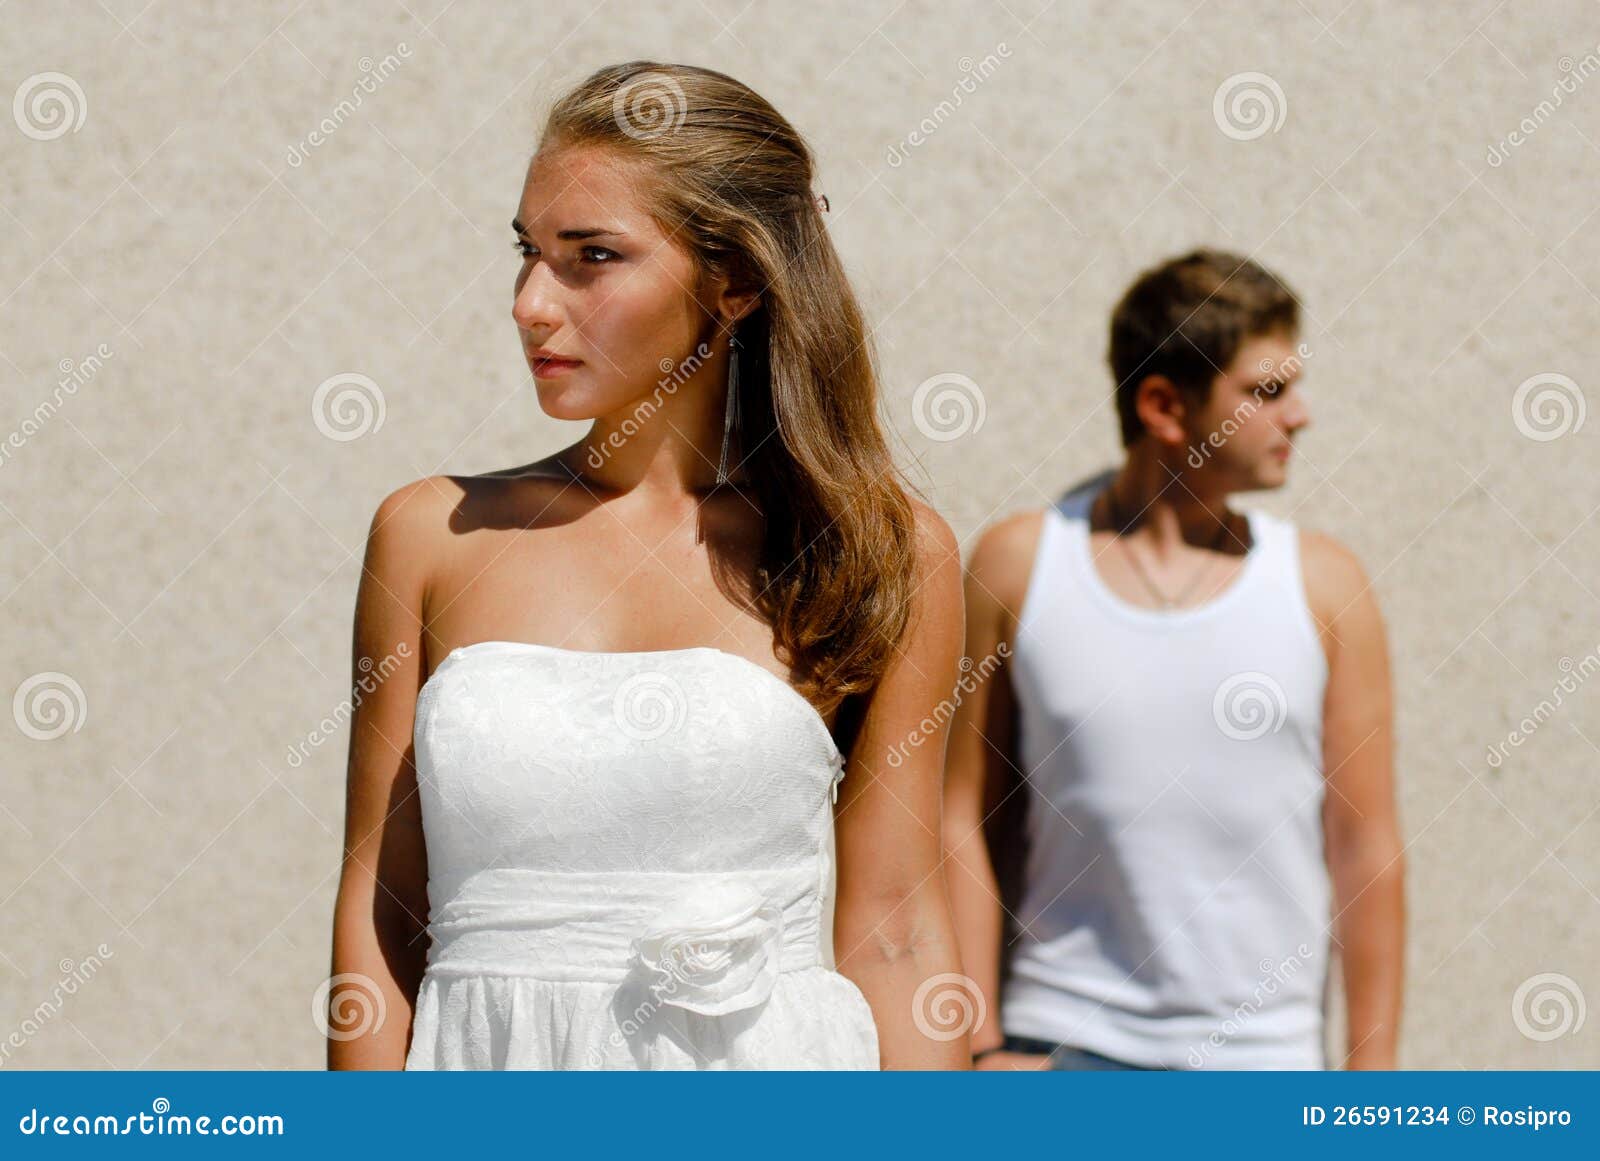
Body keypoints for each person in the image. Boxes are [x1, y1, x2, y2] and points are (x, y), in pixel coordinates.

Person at [328, 61, 968, 1070]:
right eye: (527, 253)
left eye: (591, 257)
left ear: (738, 282)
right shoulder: (429, 535)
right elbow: (380, 907)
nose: (531, 302)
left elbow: (895, 921)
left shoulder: (881, 551)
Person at [944, 249, 1405, 1070]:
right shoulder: (1019, 565)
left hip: (1265, 1062)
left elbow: (1366, 849)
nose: (1300, 415)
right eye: (1267, 391)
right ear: (1164, 405)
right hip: (1063, 1046)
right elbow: (962, 817)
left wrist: (1370, 1097)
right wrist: (977, 1048)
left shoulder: (1327, 586)